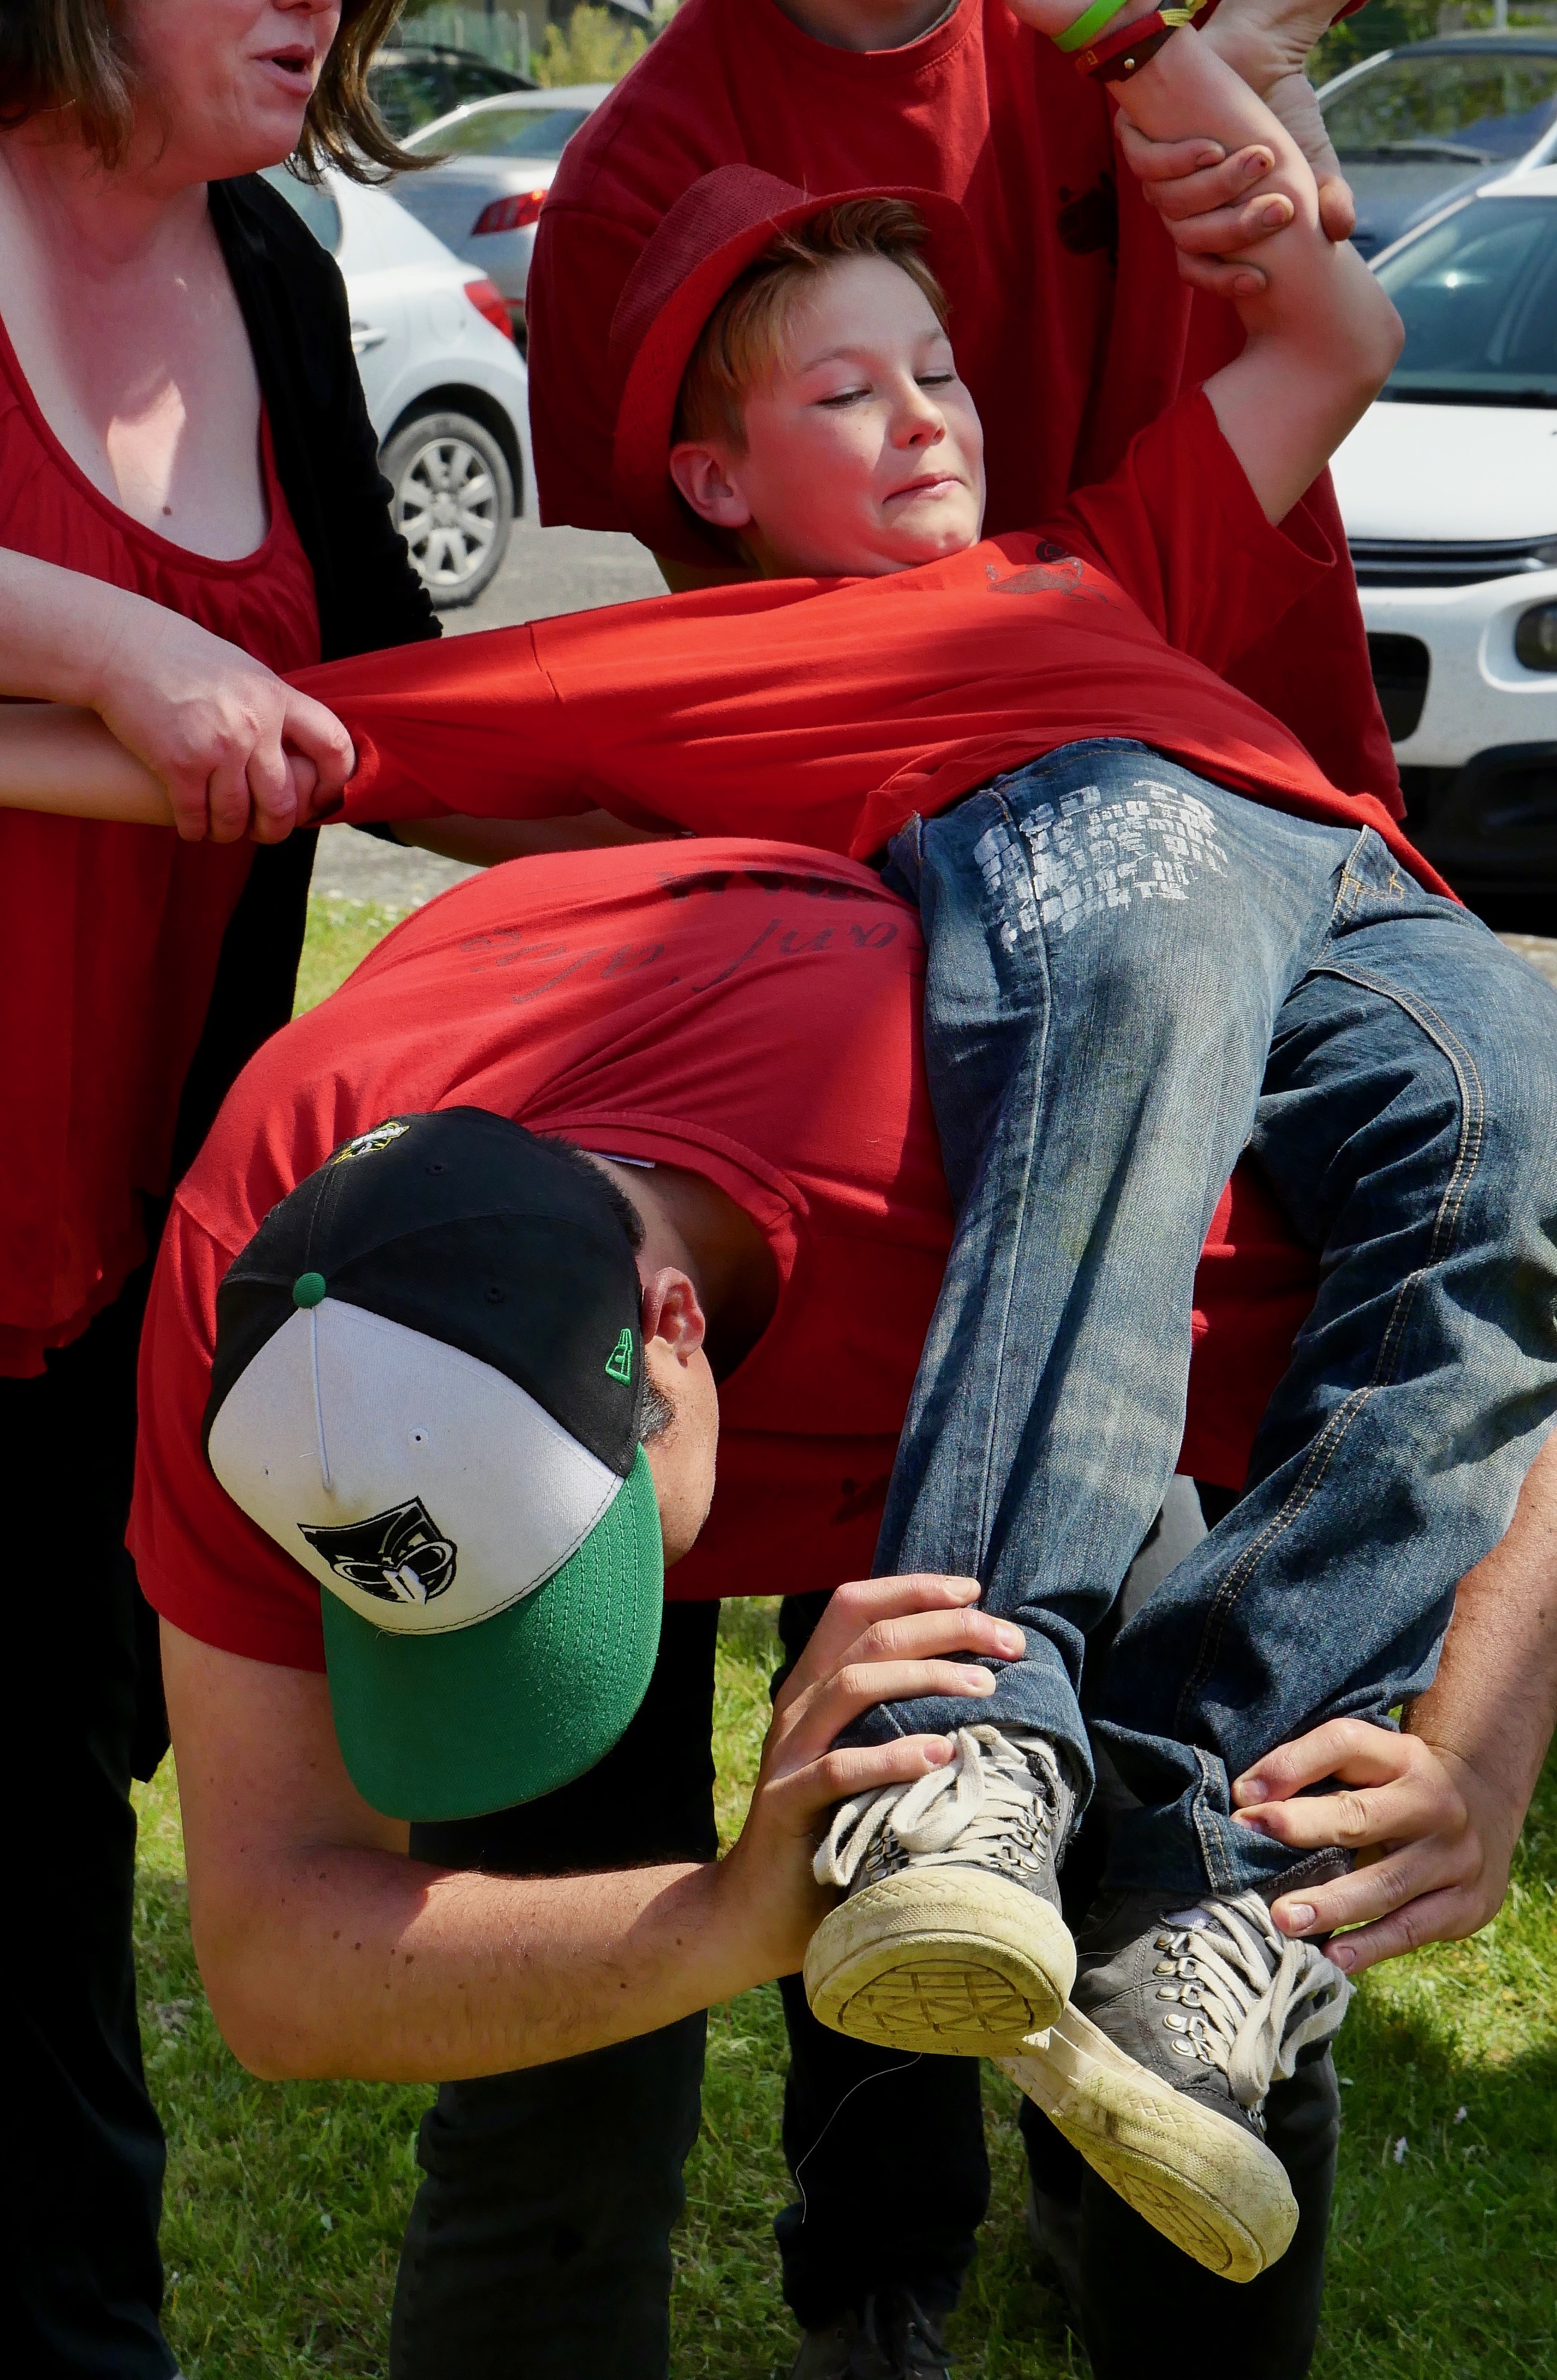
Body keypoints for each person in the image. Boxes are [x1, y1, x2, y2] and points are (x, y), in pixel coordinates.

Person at [154, 0, 1557, 2278]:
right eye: (845, 393)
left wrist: (1136, 35)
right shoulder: (720, 667)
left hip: (1342, 890)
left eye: (941, 370)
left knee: (1512, 1146)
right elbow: (291, 739)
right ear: (710, 477)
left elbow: (1337, 330)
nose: (925, 416)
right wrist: (87, 684)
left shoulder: (1100, 558)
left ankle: (1211, 1853)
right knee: (1119, 958)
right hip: (1095, 880)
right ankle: (991, 1745)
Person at [122, 835, 1556, 2380]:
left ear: (673, 1328)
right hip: (724, 1221)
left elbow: (1508, 1268)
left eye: (550, 1573)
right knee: (561, 2067)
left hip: (940, 1270)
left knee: (1219, 1898)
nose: (509, 1643)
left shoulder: (1063, 1206)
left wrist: (1477, 1745)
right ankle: (868, 2284)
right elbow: (277, 1964)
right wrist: (719, 1919)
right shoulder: (269, 1320)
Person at [528, 0, 1556, 771]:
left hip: (1284, 802)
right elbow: (762, 677)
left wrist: (1262, 27)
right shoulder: (637, 199)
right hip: (926, 839)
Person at [0, 0, 439, 2379]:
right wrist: (104, 640)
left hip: (101, 1257)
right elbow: (173, 698)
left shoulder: (274, 267)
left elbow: (385, 702)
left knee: (48, 1860)